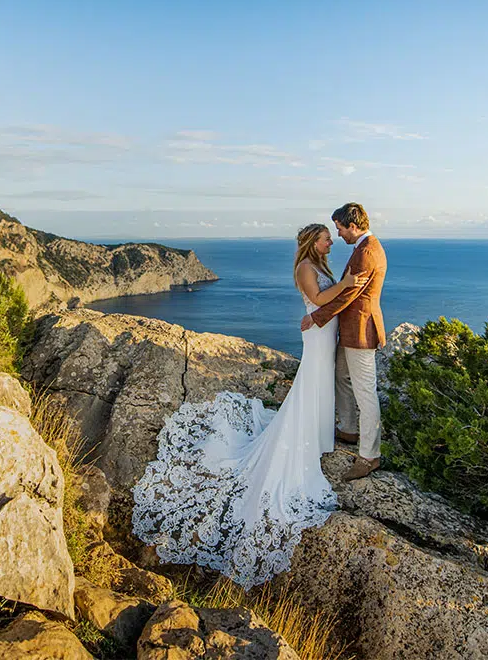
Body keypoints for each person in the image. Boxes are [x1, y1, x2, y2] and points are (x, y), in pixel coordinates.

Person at [130, 223, 361, 588]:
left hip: (325, 331)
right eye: (325, 237)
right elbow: (317, 301)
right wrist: (347, 285)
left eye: (331, 237)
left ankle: (317, 435)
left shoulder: (321, 265)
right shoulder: (305, 267)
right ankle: (307, 436)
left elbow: (326, 300)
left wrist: (342, 284)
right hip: (317, 334)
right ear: (312, 242)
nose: (331, 241)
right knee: (311, 383)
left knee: (318, 386)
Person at [300, 202, 387, 481]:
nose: (338, 235)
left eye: (339, 228)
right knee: (342, 377)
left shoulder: (367, 252)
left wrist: (317, 317)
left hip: (361, 330)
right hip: (350, 329)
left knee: (365, 392)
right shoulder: (363, 248)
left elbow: (350, 294)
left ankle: (369, 456)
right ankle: (349, 428)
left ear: (353, 225)